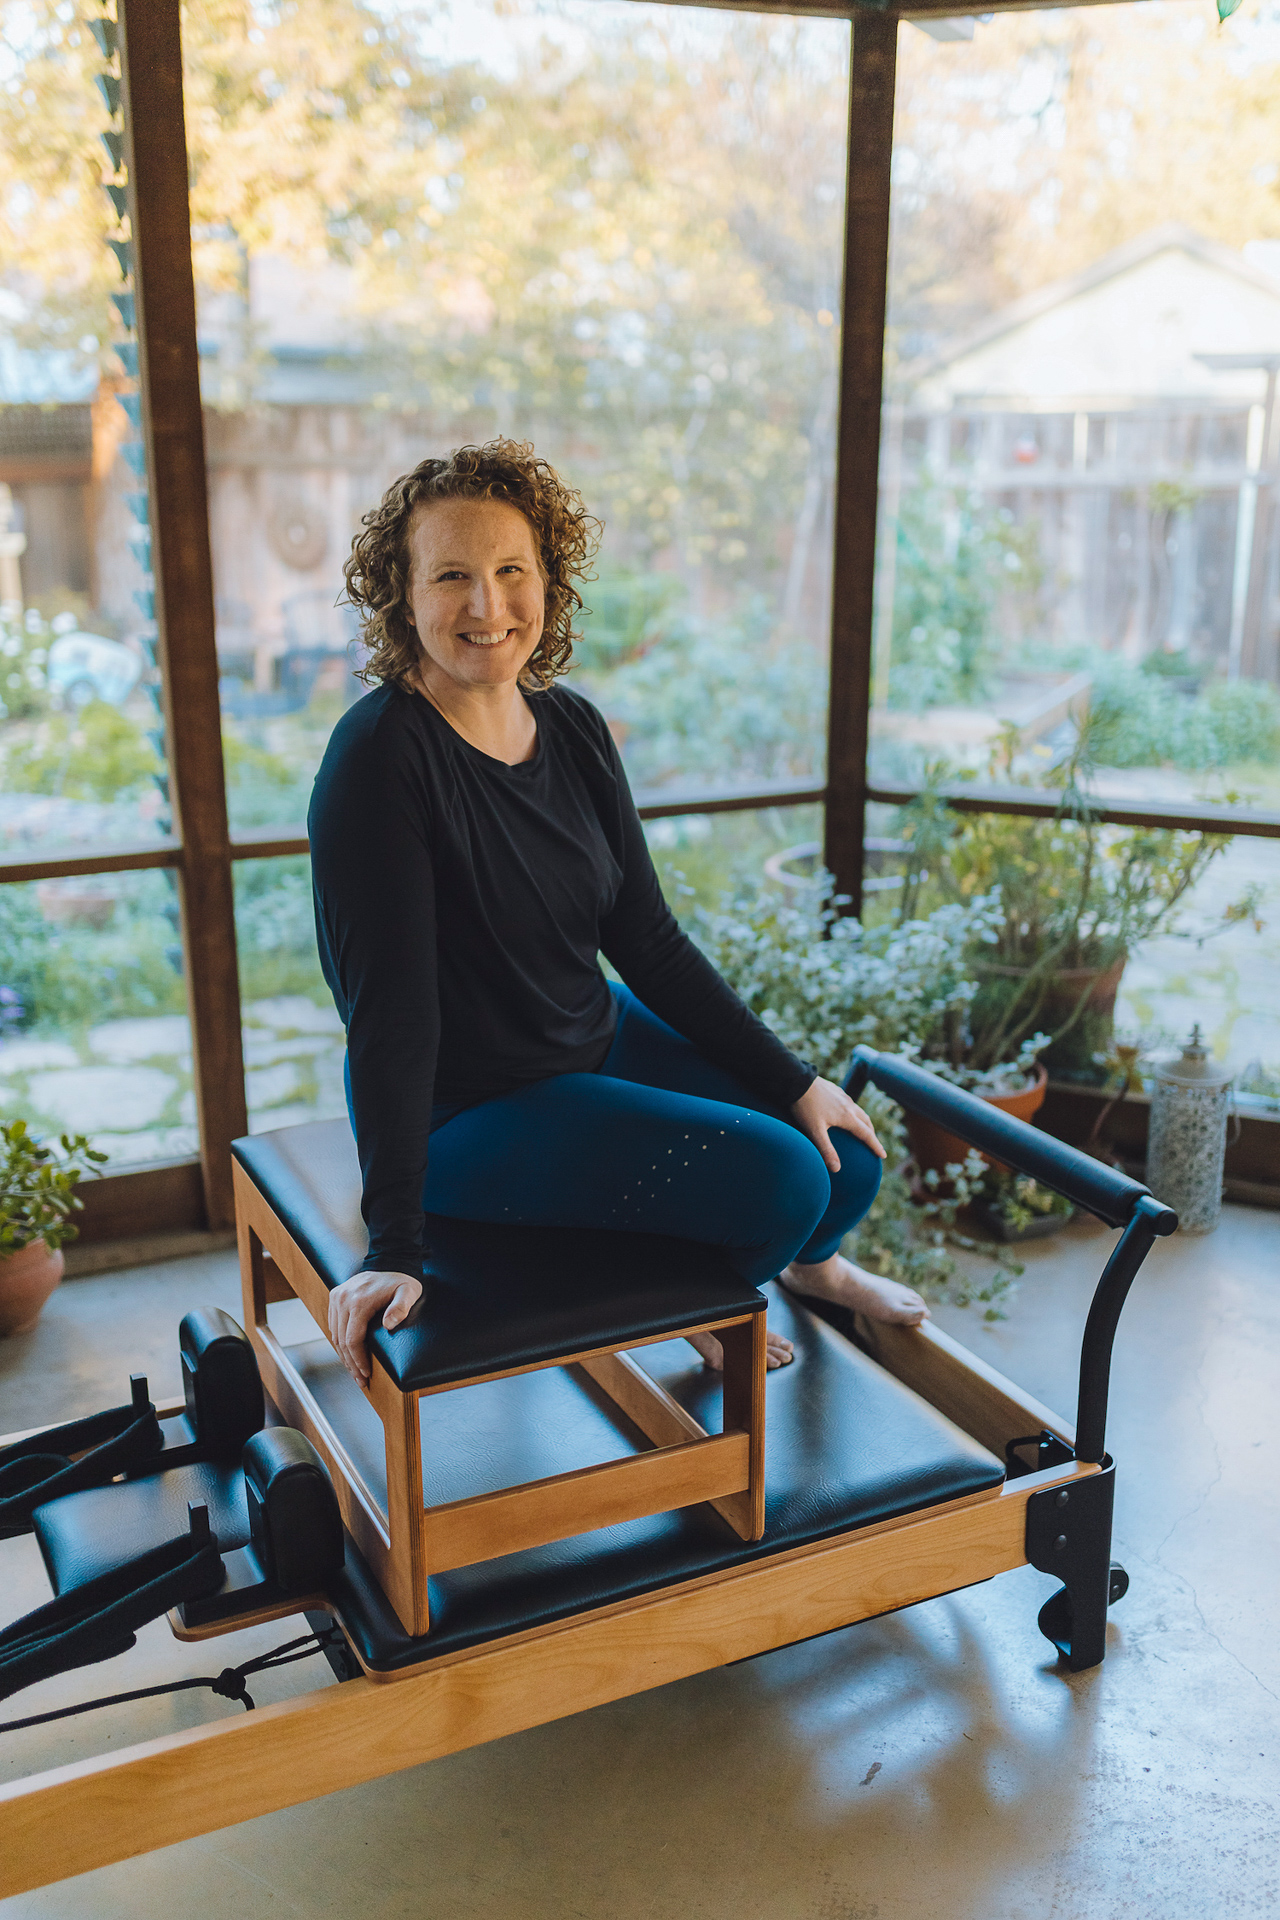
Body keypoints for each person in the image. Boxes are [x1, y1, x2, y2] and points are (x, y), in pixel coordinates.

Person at [309, 439, 928, 1386]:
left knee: (841, 1151)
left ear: (548, 582)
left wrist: (795, 1081)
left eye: (512, 571)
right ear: (402, 595)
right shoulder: (378, 762)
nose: (487, 606)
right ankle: (708, 1312)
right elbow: (389, 1017)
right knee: (787, 1180)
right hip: (468, 1108)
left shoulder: (574, 729)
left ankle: (809, 1267)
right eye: (452, 577)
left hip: (590, 1037)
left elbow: (645, 938)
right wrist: (393, 1240)